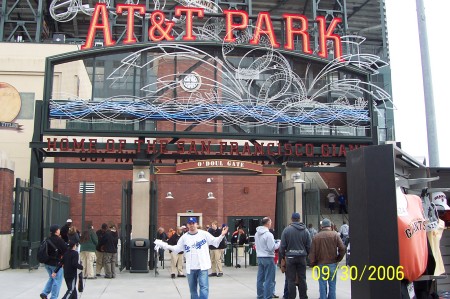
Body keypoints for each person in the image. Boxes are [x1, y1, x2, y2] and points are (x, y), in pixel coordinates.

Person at [154, 216, 228, 299]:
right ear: (187, 225)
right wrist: (164, 245)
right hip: (191, 268)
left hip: (202, 267)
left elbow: (215, 242)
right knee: (193, 290)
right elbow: (177, 249)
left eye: (193, 223)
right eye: (190, 223)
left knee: (204, 288)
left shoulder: (204, 234)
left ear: (196, 224)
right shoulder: (184, 237)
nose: (192, 225)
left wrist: (222, 235)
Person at [309, 218, 346, 299]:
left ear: (322, 226)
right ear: (330, 226)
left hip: (321, 264)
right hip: (332, 263)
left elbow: (312, 252)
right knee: (332, 284)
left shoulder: (316, 237)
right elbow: (342, 248)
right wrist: (338, 259)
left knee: (322, 284)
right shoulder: (335, 235)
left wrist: (312, 263)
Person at [279, 212, 311, 299]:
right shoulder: (305, 230)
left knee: (291, 280)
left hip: (290, 257)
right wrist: (306, 254)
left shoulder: (286, 230)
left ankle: (291, 297)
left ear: (292, 219)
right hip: (302, 257)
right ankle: (303, 296)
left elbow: (282, 246)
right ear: (299, 219)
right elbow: (309, 246)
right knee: (302, 279)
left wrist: (283, 257)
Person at [255, 217, 280, 299]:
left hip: (260, 257)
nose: (271, 224)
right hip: (268, 257)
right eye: (270, 222)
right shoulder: (269, 234)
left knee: (260, 278)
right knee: (269, 279)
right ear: (268, 223)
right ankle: (268, 296)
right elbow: (272, 248)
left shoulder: (257, 233)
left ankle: (260, 296)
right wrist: (279, 243)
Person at [40, 224, 68, 299]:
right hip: (56, 264)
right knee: (57, 280)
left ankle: (44, 293)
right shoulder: (59, 240)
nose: (59, 230)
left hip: (47, 263)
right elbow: (65, 250)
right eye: (58, 229)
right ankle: (54, 297)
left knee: (52, 277)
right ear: (56, 231)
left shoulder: (47, 239)